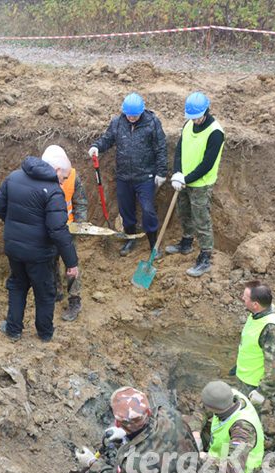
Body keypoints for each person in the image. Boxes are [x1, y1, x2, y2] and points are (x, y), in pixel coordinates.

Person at [0, 144, 78, 342]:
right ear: (57, 170)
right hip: (39, 254)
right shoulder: (53, 192)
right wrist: (71, 263)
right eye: (64, 177)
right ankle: (45, 334)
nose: (64, 181)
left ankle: (13, 330)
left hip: (13, 247)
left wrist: (15, 227)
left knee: (17, 285)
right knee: (45, 292)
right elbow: (58, 231)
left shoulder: (13, 177)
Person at [88, 92, 167, 256]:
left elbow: (161, 148)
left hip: (145, 177)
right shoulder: (117, 122)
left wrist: (161, 172)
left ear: (142, 112)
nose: (131, 118)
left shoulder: (152, 123)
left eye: (135, 115)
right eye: (129, 115)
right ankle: (131, 239)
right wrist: (97, 146)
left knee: (147, 210)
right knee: (126, 211)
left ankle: (153, 245)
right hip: (124, 177)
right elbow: (107, 139)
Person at [76, 386, 201, 473]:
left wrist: (93, 464)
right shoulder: (170, 415)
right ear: (148, 411)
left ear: (117, 423)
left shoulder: (132, 461)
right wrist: (128, 436)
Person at [167, 92, 225, 278]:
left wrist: (187, 178)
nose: (194, 121)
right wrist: (177, 173)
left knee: (201, 218)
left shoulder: (215, 132)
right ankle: (186, 242)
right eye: (191, 118)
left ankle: (205, 256)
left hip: (201, 183)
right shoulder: (188, 125)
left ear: (206, 111)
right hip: (184, 179)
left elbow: (207, 164)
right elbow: (179, 151)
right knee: (183, 212)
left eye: (197, 117)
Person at [188, 381, 264, 473]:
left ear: (213, 408)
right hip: (220, 451)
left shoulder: (243, 429)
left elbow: (232, 470)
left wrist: (204, 458)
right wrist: (195, 433)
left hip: (239, 469)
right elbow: (202, 410)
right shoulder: (230, 395)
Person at [48, 145, 87, 321]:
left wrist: (80, 224)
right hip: (47, 228)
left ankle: (74, 300)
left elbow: (81, 201)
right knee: (50, 261)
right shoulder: (41, 177)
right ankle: (55, 289)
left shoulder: (72, 175)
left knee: (71, 265)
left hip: (67, 228)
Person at [234, 281, 275, 405]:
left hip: (254, 384)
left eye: (245, 298)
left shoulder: (271, 329)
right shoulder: (259, 312)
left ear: (255, 304)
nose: (242, 299)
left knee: (248, 418)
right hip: (246, 375)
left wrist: (262, 392)